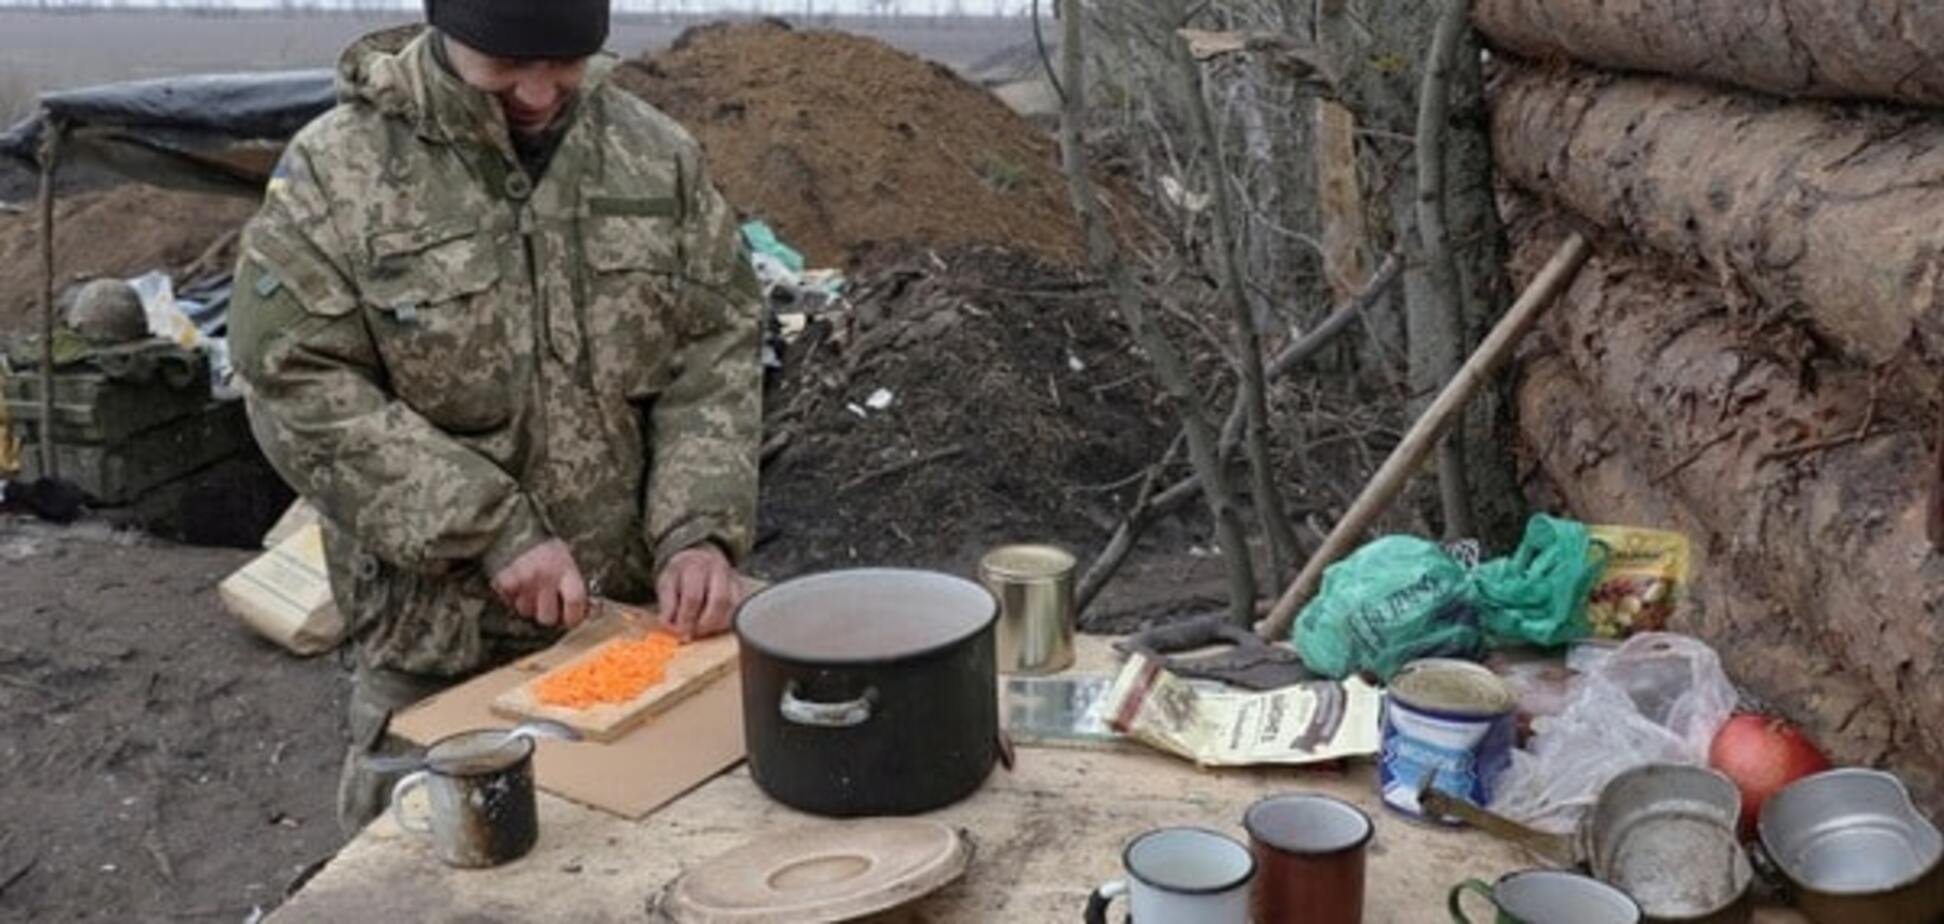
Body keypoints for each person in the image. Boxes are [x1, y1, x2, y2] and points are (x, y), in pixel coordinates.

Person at [228, 0, 763, 832]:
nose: (542, 93)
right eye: (507, 66)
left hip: (637, 647)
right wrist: (489, 528)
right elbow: (292, 382)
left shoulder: (654, 159)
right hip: (438, 664)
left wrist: (698, 530)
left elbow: (715, 351)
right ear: (447, 28)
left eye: (568, 63)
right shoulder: (340, 173)